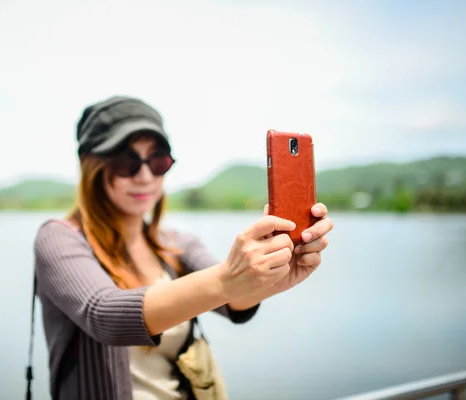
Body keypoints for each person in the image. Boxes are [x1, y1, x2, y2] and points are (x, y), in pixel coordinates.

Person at [30, 96, 333, 400]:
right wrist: (228, 277)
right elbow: (104, 315)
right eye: (127, 162)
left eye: (158, 160)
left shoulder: (174, 244)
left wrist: (272, 277)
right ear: (90, 165)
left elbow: (231, 301)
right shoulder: (59, 238)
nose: (145, 176)